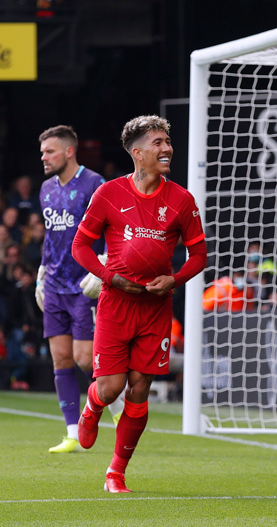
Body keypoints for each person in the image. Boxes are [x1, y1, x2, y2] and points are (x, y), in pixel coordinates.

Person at [71, 115, 207, 493]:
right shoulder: (109, 194)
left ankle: (116, 473)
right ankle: (93, 406)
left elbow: (199, 255)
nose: (167, 148)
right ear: (138, 153)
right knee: (111, 387)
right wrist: (108, 277)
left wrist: (175, 279)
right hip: (116, 303)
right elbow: (80, 247)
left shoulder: (181, 199)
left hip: (155, 308)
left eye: (168, 141)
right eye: (159, 143)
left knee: (139, 388)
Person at [33, 125, 122, 453]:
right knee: (60, 357)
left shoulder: (95, 184)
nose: (44, 157)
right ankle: (71, 433)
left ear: (70, 151)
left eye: (50, 151)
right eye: (42, 152)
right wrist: (41, 273)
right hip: (55, 285)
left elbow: (115, 229)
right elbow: (51, 234)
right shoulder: (45, 189)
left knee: (86, 359)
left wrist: (104, 263)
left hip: (85, 285)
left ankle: (118, 406)